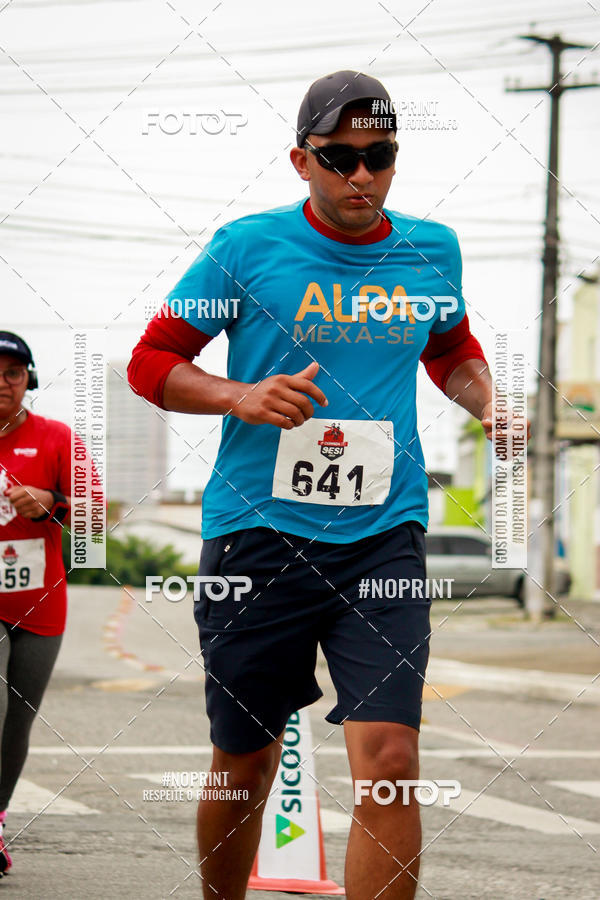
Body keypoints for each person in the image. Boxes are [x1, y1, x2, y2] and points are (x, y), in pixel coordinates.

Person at [128, 70, 519, 899]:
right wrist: (239, 395)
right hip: (258, 534)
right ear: (301, 160)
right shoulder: (246, 248)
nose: (361, 177)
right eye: (339, 157)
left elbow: (448, 348)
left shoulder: (431, 248)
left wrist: (487, 402)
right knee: (245, 754)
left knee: (392, 756)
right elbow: (149, 363)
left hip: (383, 533)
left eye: (379, 156)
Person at [0, 332, 71, 876]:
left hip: (40, 603)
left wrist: (51, 503)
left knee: (17, 724)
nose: (2, 381)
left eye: (13, 372)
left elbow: (94, 522)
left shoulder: (56, 437)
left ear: (29, 380)